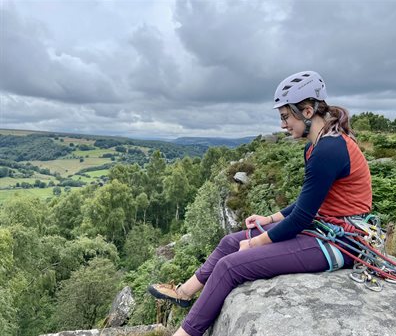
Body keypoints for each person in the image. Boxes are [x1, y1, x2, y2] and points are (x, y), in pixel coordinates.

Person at [148, 71, 372, 336]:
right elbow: (307, 202)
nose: (283, 125)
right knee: (229, 243)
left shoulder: (328, 150)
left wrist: (255, 243)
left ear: (308, 111)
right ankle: (183, 293)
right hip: (328, 229)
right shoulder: (317, 147)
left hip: (342, 242)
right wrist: (270, 220)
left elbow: (301, 218)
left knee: (230, 266)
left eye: (286, 116)